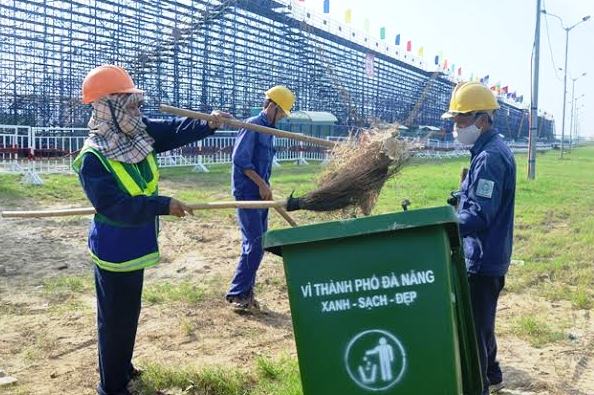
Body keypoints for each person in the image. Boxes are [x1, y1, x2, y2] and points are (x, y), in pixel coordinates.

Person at [72, 64, 229, 395]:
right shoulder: (92, 158)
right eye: (128, 102)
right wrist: (164, 205)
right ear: (107, 107)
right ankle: (111, 387)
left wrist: (207, 123)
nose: (136, 109)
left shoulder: (135, 133)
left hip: (137, 244)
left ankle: (122, 366)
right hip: (115, 250)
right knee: (114, 320)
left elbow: (173, 130)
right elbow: (118, 206)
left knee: (128, 314)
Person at [442, 82, 516, 394]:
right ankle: (494, 372)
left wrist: (445, 226)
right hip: (489, 255)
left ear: (481, 120)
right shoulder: (485, 151)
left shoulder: (490, 158)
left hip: (483, 258)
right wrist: (459, 196)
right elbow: (475, 198)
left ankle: (480, 385)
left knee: (473, 328)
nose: (456, 128)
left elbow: (481, 215)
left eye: (461, 121)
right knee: (483, 323)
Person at [226, 85, 296, 311]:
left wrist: (266, 186)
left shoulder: (268, 130)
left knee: (259, 243)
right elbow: (241, 159)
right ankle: (238, 294)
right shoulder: (252, 125)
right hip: (248, 194)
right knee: (255, 245)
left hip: (260, 194)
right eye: (282, 113)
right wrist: (261, 184)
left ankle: (246, 294)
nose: (283, 118)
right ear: (272, 106)